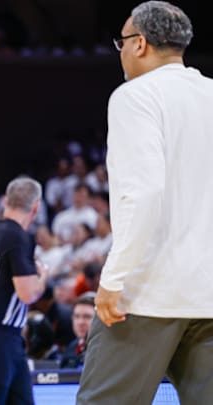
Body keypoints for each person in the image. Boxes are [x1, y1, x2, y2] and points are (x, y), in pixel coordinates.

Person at [77, 2, 213, 404]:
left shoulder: (134, 96)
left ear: (139, 45)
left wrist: (113, 279)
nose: (120, 50)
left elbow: (144, 194)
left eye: (121, 41)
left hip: (146, 294)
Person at [0, 177, 48, 405]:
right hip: (1, 336)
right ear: (36, 207)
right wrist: (42, 277)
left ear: (5, 201)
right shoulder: (19, 236)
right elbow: (28, 294)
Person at [60, 292, 95, 369]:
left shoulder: (107, 349)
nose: (80, 322)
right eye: (76, 316)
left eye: (87, 317)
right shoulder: (72, 347)